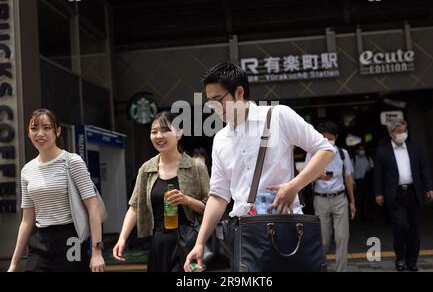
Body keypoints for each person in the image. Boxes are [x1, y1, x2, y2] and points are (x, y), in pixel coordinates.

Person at [184, 62, 335, 272]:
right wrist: (200, 243)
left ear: (239, 92)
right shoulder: (220, 139)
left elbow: (326, 150)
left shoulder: (278, 115)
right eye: (209, 103)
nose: (214, 108)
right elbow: (218, 196)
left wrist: (294, 186)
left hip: (285, 227)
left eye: (218, 100)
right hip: (243, 233)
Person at [8, 109, 105, 272]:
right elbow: (27, 220)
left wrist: (97, 251)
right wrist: (14, 264)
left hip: (69, 239)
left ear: (58, 131)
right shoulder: (27, 170)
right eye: (34, 128)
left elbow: (93, 207)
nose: (40, 133)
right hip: (39, 241)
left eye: (46, 128)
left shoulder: (72, 161)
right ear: (28, 132)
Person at [113, 111, 209, 272]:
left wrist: (187, 200)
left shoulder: (196, 168)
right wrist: (122, 238)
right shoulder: (146, 169)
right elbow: (135, 206)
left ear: (179, 134)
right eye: (154, 131)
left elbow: (211, 207)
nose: (159, 136)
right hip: (158, 242)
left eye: (165, 130)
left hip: (189, 241)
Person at [373, 118, 433, 272]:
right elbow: (377, 174)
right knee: (400, 226)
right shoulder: (383, 151)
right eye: (398, 132)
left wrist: (429, 187)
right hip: (395, 195)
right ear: (391, 133)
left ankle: (412, 261)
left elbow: (424, 169)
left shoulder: (415, 149)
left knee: (414, 228)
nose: (402, 134)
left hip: (414, 193)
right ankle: (400, 257)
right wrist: (378, 193)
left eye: (404, 131)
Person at [305, 120, 356, 272]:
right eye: (323, 138)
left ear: (336, 137)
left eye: (330, 138)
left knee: (342, 238)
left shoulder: (342, 153)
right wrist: (318, 176)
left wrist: (352, 201)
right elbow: (305, 179)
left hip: (340, 199)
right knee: (323, 240)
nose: (327, 141)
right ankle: (322, 267)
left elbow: (348, 178)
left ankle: (342, 270)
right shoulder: (312, 153)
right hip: (321, 199)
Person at [352, 143, 375, 221]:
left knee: (368, 199)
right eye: (360, 149)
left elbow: (372, 168)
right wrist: (353, 183)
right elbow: (351, 173)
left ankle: (368, 215)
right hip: (358, 182)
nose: (362, 151)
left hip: (367, 181)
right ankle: (360, 216)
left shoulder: (368, 158)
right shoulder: (353, 160)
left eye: (363, 149)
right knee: (359, 199)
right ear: (357, 151)